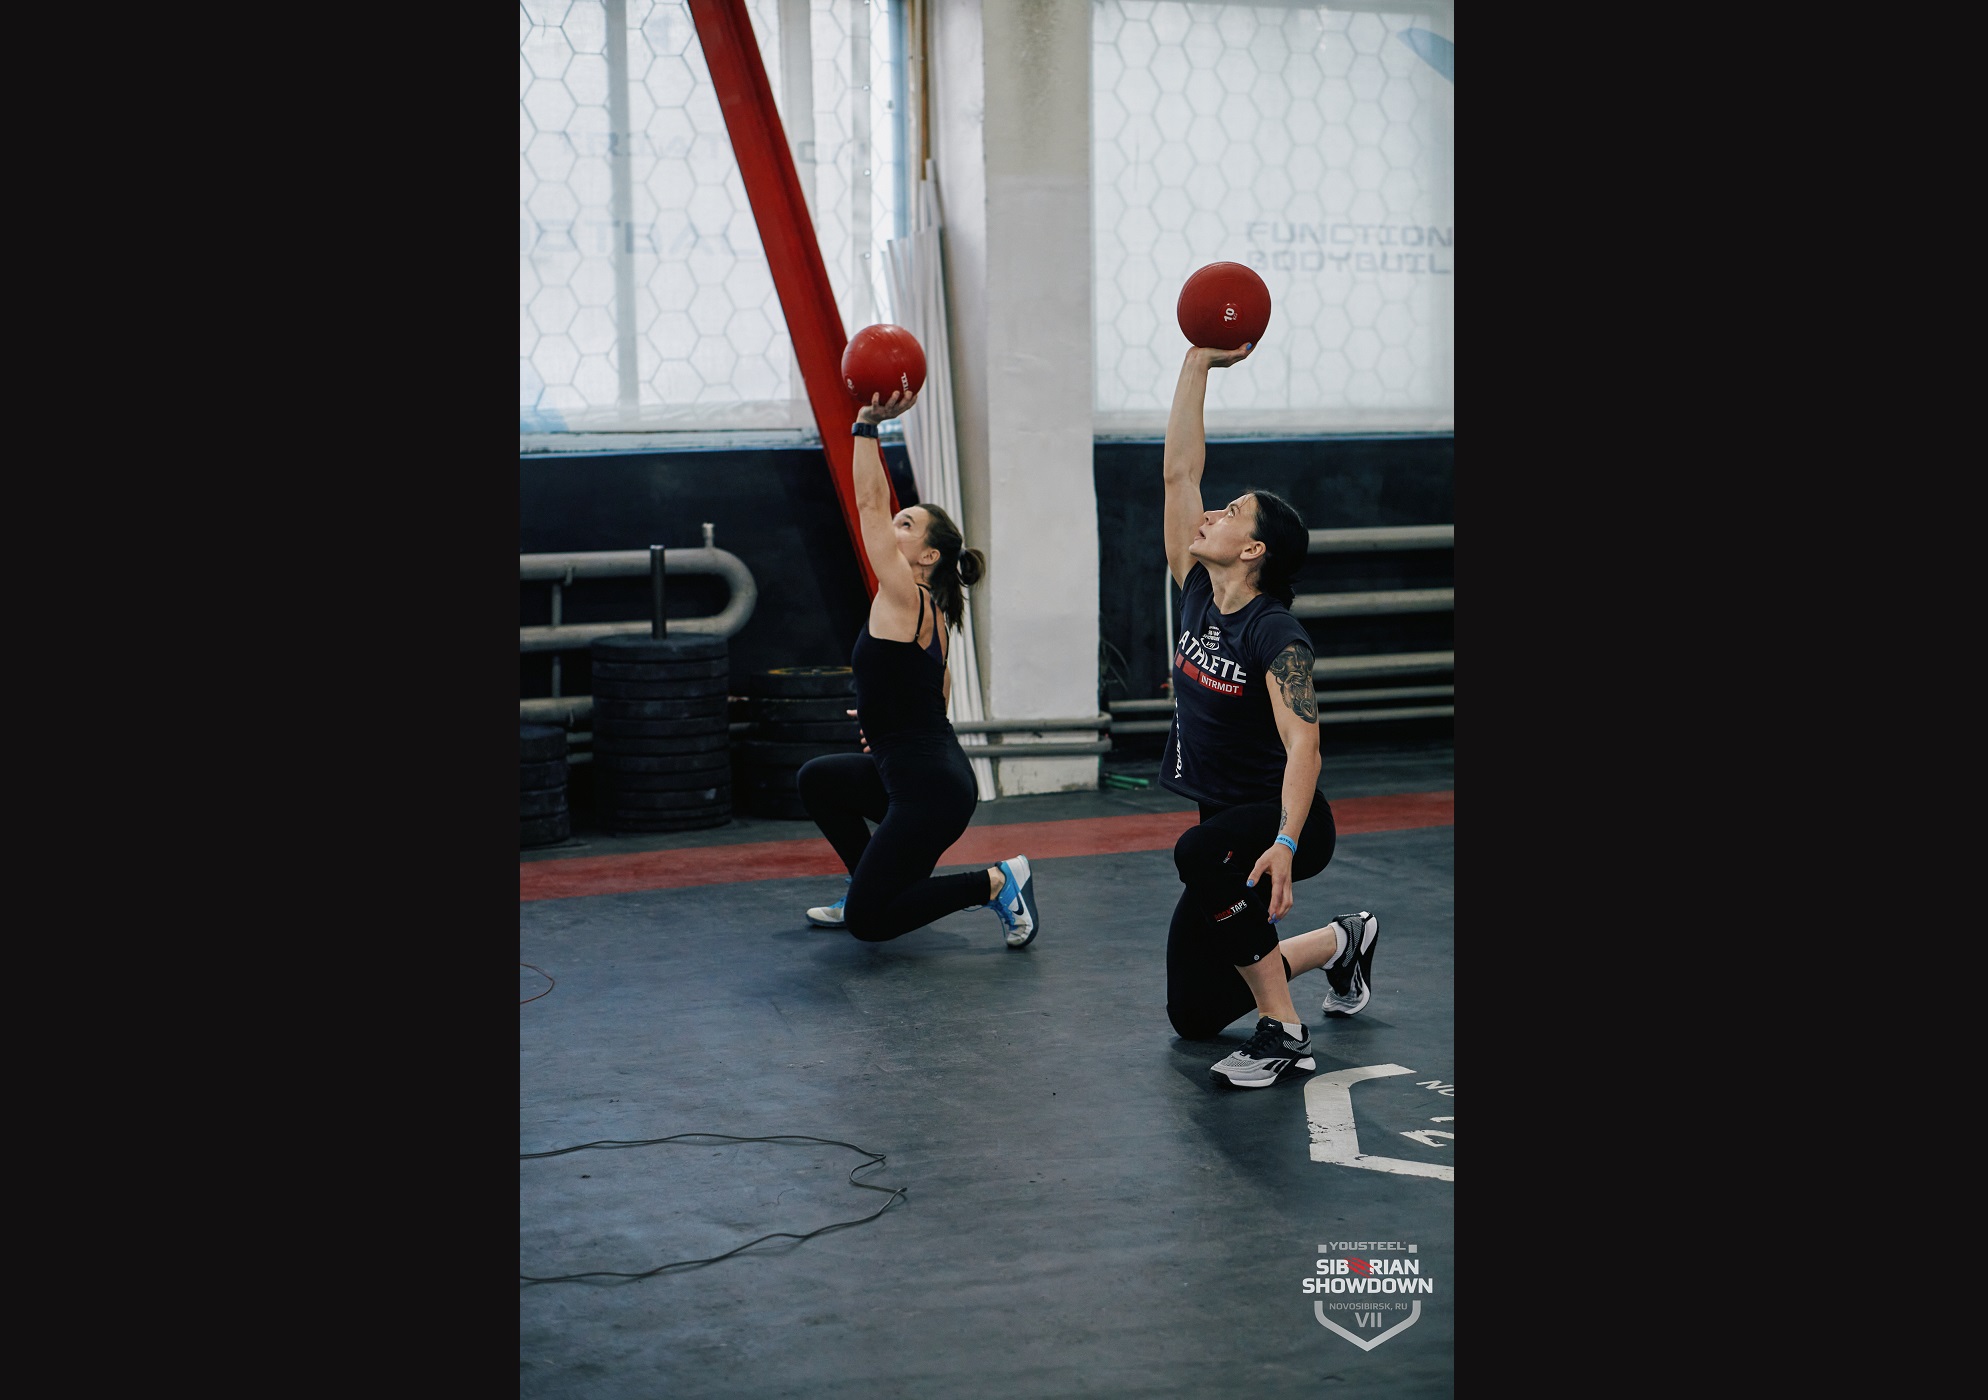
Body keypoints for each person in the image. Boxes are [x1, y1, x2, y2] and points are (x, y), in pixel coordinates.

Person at [1159, 341, 1379, 1089]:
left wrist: (1284, 842)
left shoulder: (1276, 635)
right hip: (1225, 822)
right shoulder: (1195, 589)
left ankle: (1284, 1031)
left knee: (1195, 855)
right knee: (1194, 1012)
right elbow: (1180, 472)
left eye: (1230, 513)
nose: (1210, 513)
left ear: (1252, 548)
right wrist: (1197, 364)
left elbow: (1304, 746)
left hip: (1286, 824)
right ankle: (1341, 942)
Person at [796, 389, 1041, 949]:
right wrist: (886, 721)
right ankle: (866, 882)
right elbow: (937, 691)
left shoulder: (906, 596)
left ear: (928, 556)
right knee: (819, 780)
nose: (891, 527)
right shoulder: (929, 614)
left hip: (929, 792)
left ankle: (997, 882)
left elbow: (868, 504)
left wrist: (865, 425)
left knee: (870, 923)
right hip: (921, 775)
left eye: (905, 524)